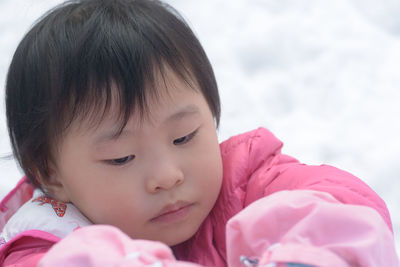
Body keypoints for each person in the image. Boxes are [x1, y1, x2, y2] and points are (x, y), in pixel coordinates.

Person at [0, 0, 398, 266]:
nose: (168, 175)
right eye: (121, 157)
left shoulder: (247, 183)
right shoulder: (43, 244)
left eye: (184, 136)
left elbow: (338, 205)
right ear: (51, 173)